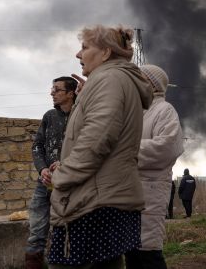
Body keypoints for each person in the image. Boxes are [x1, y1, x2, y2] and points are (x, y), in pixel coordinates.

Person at [46, 24, 153, 269]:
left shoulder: (109, 79)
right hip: (107, 197)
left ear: (105, 53)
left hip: (93, 203)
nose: (78, 54)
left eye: (84, 47)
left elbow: (97, 139)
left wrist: (63, 175)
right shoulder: (113, 79)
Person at [124, 64, 184, 269]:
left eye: (137, 77)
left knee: (148, 253)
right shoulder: (135, 110)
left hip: (150, 191)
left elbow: (168, 148)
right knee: (131, 252)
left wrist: (125, 151)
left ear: (150, 83)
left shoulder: (164, 110)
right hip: (128, 191)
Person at [25, 76, 77, 269]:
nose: (52, 93)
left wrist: (65, 165)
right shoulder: (49, 116)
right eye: (52, 89)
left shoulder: (80, 116)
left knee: (63, 232)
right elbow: (37, 145)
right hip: (44, 184)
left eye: (57, 90)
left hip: (69, 185)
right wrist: (43, 169)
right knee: (36, 234)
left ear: (70, 94)